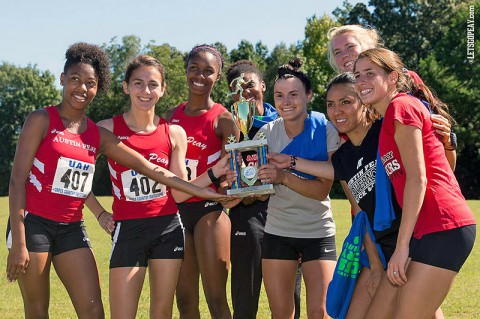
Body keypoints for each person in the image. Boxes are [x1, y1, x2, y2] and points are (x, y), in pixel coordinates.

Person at [6, 42, 232, 319]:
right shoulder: (49, 120)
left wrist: (212, 190)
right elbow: (18, 180)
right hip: (38, 223)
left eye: (90, 82)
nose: (81, 88)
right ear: (62, 79)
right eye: (75, 79)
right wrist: (19, 243)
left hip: (79, 228)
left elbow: (154, 171)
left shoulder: (98, 134)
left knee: (95, 311)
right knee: (38, 310)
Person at [94, 55, 233, 319]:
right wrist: (99, 213)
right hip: (128, 229)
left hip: (168, 227)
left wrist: (214, 173)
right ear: (125, 86)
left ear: (163, 89)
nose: (145, 91)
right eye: (138, 83)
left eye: (153, 84)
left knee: (164, 313)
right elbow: (74, 169)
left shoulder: (174, 132)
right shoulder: (106, 129)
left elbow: (179, 190)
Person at [354, 47, 476, 318]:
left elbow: (418, 179)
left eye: (370, 74)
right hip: (425, 230)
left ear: (393, 77)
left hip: (444, 226)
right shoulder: (388, 117)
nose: (361, 81)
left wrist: (401, 247)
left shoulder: (401, 107)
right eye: (357, 75)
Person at [250, 58, 340, 319]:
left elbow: (322, 190)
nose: (285, 101)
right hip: (278, 231)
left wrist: (283, 176)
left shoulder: (325, 128)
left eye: (293, 94)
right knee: (281, 314)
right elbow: (254, 185)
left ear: (308, 95)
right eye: (279, 95)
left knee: (320, 313)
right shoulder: (265, 133)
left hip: (318, 231)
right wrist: (245, 183)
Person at [166, 44, 239, 319]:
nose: (200, 75)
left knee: (216, 300)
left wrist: (232, 189)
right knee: (185, 302)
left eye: (208, 71)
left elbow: (229, 176)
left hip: (209, 210)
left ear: (217, 77)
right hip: (176, 214)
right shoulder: (170, 116)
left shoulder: (224, 120)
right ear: (185, 70)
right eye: (194, 68)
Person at [225, 60, 303, 319]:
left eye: (250, 84)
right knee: (245, 296)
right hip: (246, 215)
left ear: (263, 85)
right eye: (236, 88)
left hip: (288, 212)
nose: (245, 92)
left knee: (287, 299)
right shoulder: (228, 125)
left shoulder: (287, 118)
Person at [327, 25, 457, 168]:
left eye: (350, 46)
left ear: (369, 47)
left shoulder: (405, 80)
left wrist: (449, 142)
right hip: (389, 184)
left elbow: (440, 145)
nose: (344, 54)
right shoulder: (341, 103)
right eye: (337, 52)